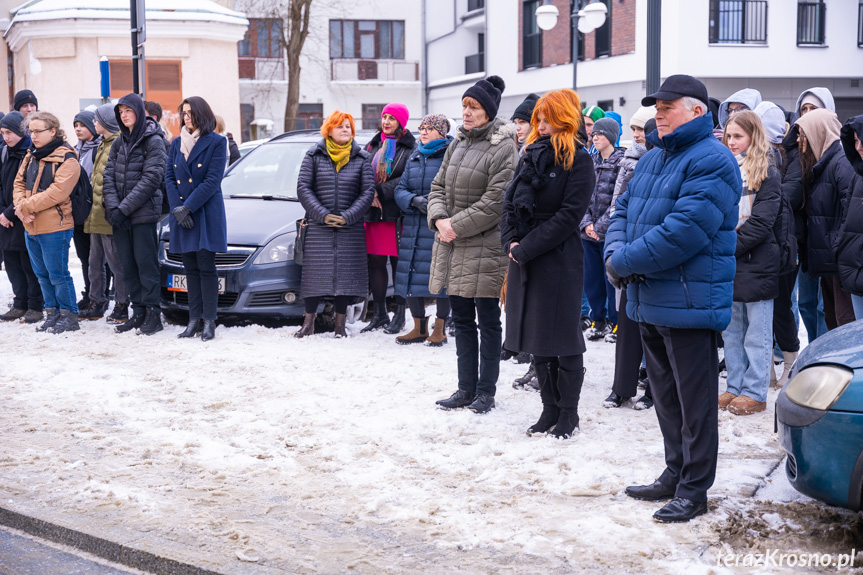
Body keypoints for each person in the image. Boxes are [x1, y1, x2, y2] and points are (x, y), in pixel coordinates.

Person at [605, 75, 741, 522]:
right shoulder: (652, 158)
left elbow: (684, 231)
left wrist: (623, 262)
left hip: (689, 299)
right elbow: (621, 211)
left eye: (666, 107)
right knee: (664, 396)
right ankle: (674, 471)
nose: (657, 114)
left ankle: (694, 488)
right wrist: (615, 252)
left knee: (694, 402)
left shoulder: (714, 160)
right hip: (648, 296)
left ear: (697, 111)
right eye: (656, 108)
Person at [501, 88, 594, 438]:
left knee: (564, 339)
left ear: (564, 119)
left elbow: (570, 216)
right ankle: (548, 409)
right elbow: (509, 203)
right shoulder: (529, 155)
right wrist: (510, 240)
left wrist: (526, 248)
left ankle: (569, 413)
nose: (539, 125)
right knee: (537, 337)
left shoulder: (579, 160)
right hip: (524, 255)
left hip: (558, 258)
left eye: (546, 119)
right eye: (538, 118)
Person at [429, 75, 517, 414]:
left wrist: (455, 226)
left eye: (474, 107)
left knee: (487, 320)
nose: (466, 113)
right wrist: (439, 220)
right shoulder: (458, 142)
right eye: (464, 106)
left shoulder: (503, 146)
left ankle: (485, 391)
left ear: (488, 111)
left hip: (484, 247)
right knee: (462, 320)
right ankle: (465, 388)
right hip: (452, 244)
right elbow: (437, 186)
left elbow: (497, 201)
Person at [720, 111, 782, 415]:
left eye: (738, 136)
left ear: (753, 136)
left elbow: (762, 222)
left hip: (757, 259)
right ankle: (734, 386)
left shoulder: (768, 169)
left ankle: (755, 391)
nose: (732, 142)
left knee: (757, 334)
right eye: (728, 136)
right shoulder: (725, 168)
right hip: (731, 259)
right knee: (732, 331)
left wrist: (726, 246)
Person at [295, 110, 374, 338]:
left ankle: (340, 327)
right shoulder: (313, 155)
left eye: (348, 126)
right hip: (319, 227)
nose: (345, 130)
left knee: (345, 277)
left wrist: (348, 216)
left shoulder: (361, 158)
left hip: (350, 227)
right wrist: (323, 214)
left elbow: (367, 191)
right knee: (314, 276)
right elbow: (303, 188)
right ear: (329, 129)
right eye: (340, 126)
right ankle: (308, 324)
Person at [602, 105, 655, 410]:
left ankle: (651, 387)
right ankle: (622, 386)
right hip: (628, 251)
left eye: (642, 130)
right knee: (628, 321)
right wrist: (616, 252)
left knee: (651, 326)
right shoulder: (633, 161)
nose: (637, 136)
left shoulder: (665, 161)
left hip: (652, 252)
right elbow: (619, 206)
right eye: (634, 130)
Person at [102, 93, 168, 336]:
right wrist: (114, 208)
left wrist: (124, 208)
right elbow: (108, 177)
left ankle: (153, 314)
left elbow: (152, 179)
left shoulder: (154, 140)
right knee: (128, 267)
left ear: (139, 112)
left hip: (143, 215)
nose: (124, 115)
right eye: (120, 112)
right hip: (120, 217)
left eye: (128, 111)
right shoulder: (120, 142)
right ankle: (138, 312)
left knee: (146, 266)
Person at [12, 112, 82, 333]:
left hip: (55, 226)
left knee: (57, 273)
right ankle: (52, 313)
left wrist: (25, 207)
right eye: (31, 131)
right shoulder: (31, 155)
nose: (33, 136)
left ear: (53, 131)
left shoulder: (68, 158)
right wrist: (21, 210)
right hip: (30, 224)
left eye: (38, 131)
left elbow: (57, 193)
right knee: (41, 274)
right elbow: (18, 183)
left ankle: (69, 315)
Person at [165, 97, 228, 342]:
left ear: (202, 114)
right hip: (182, 212)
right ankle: (193, 320)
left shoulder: (217, 142)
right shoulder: (176, 142)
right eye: (184, 113)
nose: (186, 117)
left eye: (190, 113)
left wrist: (188, 208)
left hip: (204, 211)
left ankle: (209, 321)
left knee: (206, 267)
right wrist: (177, 209)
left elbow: (212, 181)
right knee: (189, 267)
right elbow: (169, 176)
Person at [392, 113, 453, 346]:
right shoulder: (415, 155)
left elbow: (452, 189)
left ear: (442, 131)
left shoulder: (450, 154)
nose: (423, 132)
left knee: (441, 278)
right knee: (411, 276)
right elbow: (400, 189)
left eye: (429, 128)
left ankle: (440, 328)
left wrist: (432, 204)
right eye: (421, 128)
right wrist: (414, 201)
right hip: (414, 225)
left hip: (437, 225)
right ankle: (418, 327)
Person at [795, 108, 855, 331]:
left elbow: (852, 214)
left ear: (818, 132)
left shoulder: (842, 164)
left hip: (842, 263)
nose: (800, 140)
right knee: (832, 321)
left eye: (804, 134)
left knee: (844, 324)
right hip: (831, 263)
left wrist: (838, 248)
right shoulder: (822, 164)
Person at [754, 101, 799, 388]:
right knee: (762, 311)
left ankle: (792, 363)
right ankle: (767, 368)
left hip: (783, 245)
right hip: (761, 246)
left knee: (782, 307)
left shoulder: (786, 159)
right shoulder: (753, 157)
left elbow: (789, 198)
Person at [361, 103, 416, 335]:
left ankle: (401, 315)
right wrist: (369, 191)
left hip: (396, 213)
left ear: (401, 122)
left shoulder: (411, 147)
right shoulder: (373, 144)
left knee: (398, 265)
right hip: (373, 213)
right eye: (384, 117)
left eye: (392, 118)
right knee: (375, 263)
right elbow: (362, 171)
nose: (386, 122)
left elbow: (409, 177)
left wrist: (380, 192)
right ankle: (380, 313)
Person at [789, 88, 835, 343]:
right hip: (805, 242)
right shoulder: (799, 153)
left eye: (813, 110)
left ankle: (822, 355)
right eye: (803, 110)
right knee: (805, 302)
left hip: (828, 244)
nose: (806, 116)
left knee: (822, 305)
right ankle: (813, 350)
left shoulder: (837, 154)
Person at [83, 104, 129, 325]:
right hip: (95, 215)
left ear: (107, 121)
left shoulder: (118, 144)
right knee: (94, 262)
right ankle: (96, 301)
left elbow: (116, 182)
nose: (93, 122)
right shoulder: (102, 143)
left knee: (116, 264)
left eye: (96, 119)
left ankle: (121, 304)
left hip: (109, 216)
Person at [580, 116, 624, 341]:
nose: (594, 137)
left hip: (610, 233)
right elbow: (583, 195)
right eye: (593, 134)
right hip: (589, 233)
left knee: (610, 281)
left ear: (611, 137)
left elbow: (619, 199)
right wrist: (586, 223)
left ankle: (616, 322)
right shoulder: (590, 160)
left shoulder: (621, 161)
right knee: (592, 279)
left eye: (600, 134)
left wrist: (600, 226)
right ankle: (598, 319)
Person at [0, 111, 43, 323]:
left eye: (9, 132)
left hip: (24, 216)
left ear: (19, 131)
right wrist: (2, 213)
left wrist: (10, 211)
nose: (5, 137)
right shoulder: (5, 152)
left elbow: (29, 187)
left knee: (29, 264)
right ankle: (19, 303)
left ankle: (35, 305)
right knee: (12, 263)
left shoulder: (30, 153)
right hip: (5, 219)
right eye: (2, 133)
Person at [72, 110, 101, 314]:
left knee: (97, 257)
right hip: (77, 212)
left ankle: (99, 295)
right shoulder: (75, 150)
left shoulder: (98, 148)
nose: (78, 129)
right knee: (84, 257)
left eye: (82, 125)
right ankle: (89, 292)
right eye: (76, 125)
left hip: (94, 211)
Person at [836, 115, 863, 318]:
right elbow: (846, 219)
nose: (859, 147)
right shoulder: (857, 176)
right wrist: (841, 248)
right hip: (854, 272)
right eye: (855, 140)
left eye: (862, 139)